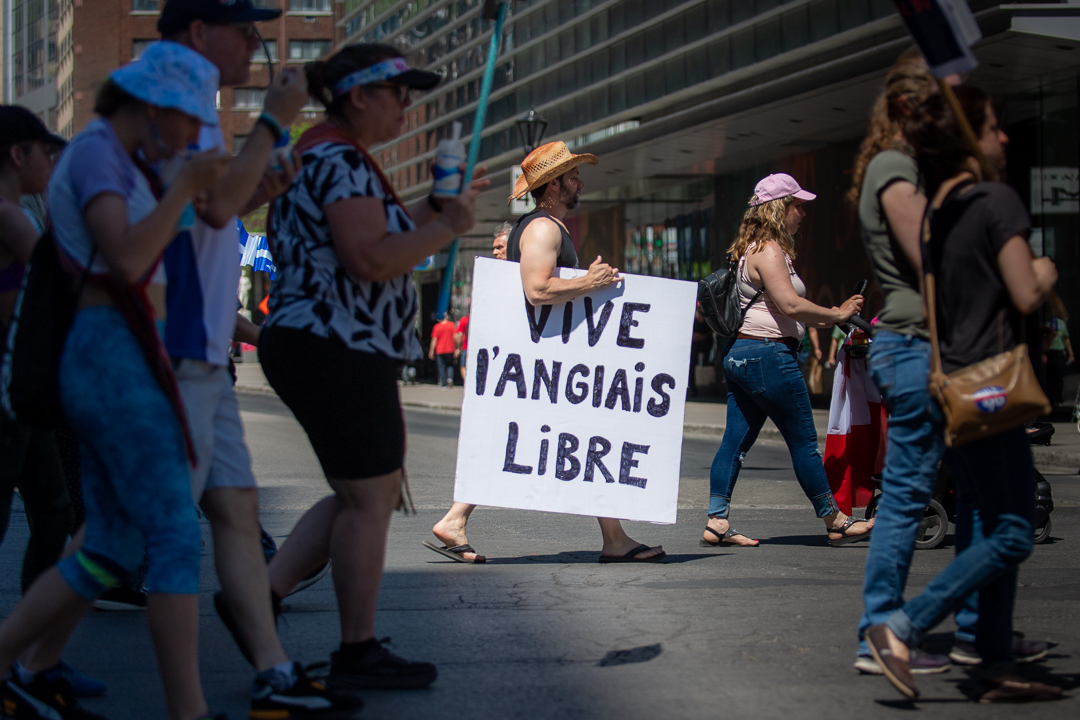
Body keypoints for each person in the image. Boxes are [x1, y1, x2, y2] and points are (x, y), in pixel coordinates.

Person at [0, 43, 231, 720]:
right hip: (111, 357)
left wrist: (198, 186)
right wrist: (186, 187)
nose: (195, 133)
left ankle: (11, 662)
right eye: (191, 118)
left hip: (120, 354)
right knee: (169, 535)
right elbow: (129, 257)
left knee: (109, 541)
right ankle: (187, 711)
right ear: (155, 107)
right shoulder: (100, 154)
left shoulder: (121, 158)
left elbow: (187, 229)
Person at [151, 2, 364, 716]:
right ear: (199, 34)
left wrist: (260, 182)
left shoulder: (202, 113)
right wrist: (273, 120)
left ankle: (272, 670)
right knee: (137, 539)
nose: (255, 46)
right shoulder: (171, 104)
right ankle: (23, 663)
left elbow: (215, 213)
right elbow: (210, 210)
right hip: (172, 351)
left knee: (237, 513)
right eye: (243, 32)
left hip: (202, 350)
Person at [260, 42, 486, 690]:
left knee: (364, 493)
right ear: (359, 95)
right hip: (336, 344)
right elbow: (371, 257)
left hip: (319, 342)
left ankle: (262, 593)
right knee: (368, 499)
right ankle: (355, 649)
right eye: (398, 95)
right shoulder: (337, 159)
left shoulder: (325, 154)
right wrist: (448, 229)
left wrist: (439, 211)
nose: (407, 110)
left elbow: (373, 235)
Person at [851, 52, 1047, 678]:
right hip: (916, 345)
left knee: (979, 498)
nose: (953, 119)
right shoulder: (894, 166)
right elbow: (928, 257)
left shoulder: (906, 167)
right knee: (910, 495)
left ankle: (976, 634)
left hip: (932, 347)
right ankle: (880, 631)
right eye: (941, 105)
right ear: (912, 109)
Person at [427, 141, 665, 564]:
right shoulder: (543, 228)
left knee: (579, 438)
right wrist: (589, 284)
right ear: (553, 184)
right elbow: (536, 290)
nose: (580, 182)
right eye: (572, 176)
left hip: (549, 361)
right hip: (546, 361)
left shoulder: (548, 226)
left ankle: (457, 520)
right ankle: (613, 540)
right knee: (588, 434)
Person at [703, 173, 870, 548]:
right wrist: (838, 314)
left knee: (735, 442)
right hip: (769, 355)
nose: (803, 213)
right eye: (798, 205)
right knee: (804, 441)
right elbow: (790, 304)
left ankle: (717, 520)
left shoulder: (751, 249)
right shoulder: (768, 250)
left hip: (743, 355)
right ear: (779, 208)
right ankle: (835, 519)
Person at [1042, 293, 1072, 411]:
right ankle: (1050, 399)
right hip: (1049, 352)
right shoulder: (1046, 323)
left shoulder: (1061, 324)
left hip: (1059, 352)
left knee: (1058, 377)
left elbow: (1066, 338)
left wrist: (1071, 353)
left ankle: (1059, 399)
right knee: (1049, 377)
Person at [428, 312, 457, 388]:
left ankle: (443, 383)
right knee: (450, 364)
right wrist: (457, 348)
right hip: (450, 349)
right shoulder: (452, 325)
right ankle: (450, 378)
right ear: (447, 317)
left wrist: (431, 351)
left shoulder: (437, 327)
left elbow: (434, 339)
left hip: (440, 350)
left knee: (441, 366)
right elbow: (455, 336)